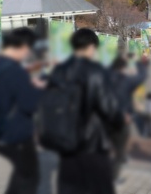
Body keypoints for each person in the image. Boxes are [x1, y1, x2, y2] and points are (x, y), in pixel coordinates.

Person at [48, 28, 122, 194]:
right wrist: (117, 126)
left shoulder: (58, 71)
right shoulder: (95, 71)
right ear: (91, 47)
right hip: (93, 143)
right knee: (100, 188)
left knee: (69, 188)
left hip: (65, 142)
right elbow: (110, 109)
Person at [0, 27, 41, 194]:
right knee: (29, 177)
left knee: (20, 175)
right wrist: (38, 89)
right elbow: (29, 104)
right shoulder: (15, 71)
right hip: (15, 134)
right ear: (23, 47)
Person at [108, 54, 149, 181]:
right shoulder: (126, 80)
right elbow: (143, 75)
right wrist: (138, 61)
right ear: (124, 68)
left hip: (104, 119)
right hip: (122, 120)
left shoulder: (104, 76)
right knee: (119, 151)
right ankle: (113, 178)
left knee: (103, 148)